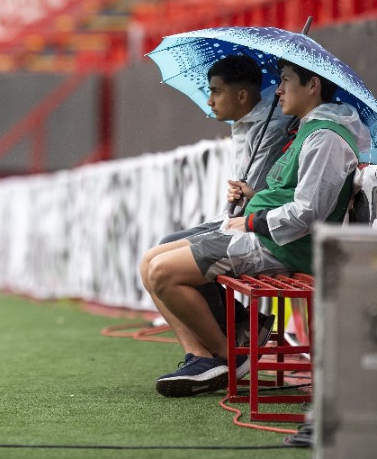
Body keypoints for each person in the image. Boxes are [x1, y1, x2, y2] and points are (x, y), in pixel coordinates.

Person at [140, 58, 370, 397]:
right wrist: (254, 196)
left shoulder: (325, 138)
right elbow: (289, 194)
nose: (277, 89)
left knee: (161, 272)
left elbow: (307, 214)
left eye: (286, 80)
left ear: (313, 86)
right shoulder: (308, 128)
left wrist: (250, 220)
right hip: (262, 234)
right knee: (149, 263)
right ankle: (200, 357)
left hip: (280, 245)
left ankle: (228, 356)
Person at [158, 55, 293, 346]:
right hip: (240, 221)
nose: (209, 101)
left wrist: (249, 194)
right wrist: (240, 193)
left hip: (260, 233)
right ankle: (233, 330)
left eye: (216, 91)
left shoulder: (274, 126)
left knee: (166, 262)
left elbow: (271, 201)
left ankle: (230, 342)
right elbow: (251, 190)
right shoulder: (248, 123)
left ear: (242, 94)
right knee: (164, 248)